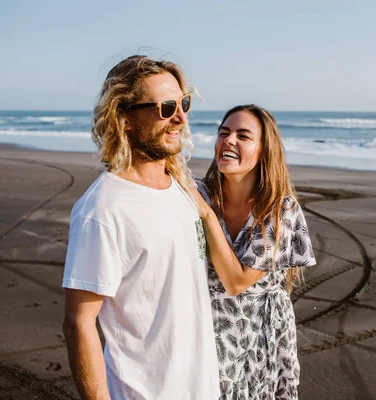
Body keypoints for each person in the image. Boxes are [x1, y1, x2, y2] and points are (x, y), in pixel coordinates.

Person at [62, 55, 219, 400]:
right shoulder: (103, 209)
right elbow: (79, 323)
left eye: (184, 103)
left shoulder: (181, 187)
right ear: (125, 118)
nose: (180, 118)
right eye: (166, 108)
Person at [189, 104, 316, 399]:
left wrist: (208, 217)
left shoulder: (278, 209)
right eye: (224, 133)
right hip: (206, 327)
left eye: (243, 136)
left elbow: (236, 282)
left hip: (258, 333)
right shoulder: (199, 194)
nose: (229, 140)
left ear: (263, 151)